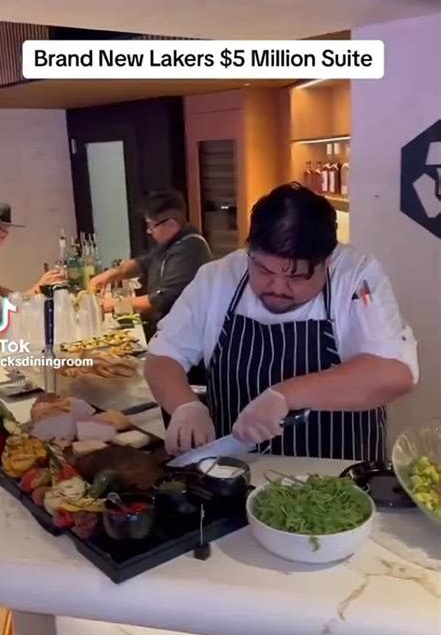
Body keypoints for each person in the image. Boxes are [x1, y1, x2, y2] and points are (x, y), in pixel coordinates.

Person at [145, 183, 418, 461]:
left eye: (297, 277)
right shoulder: (217, 278)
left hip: (340, 480)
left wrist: (285, 395)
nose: (277, 287)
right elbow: (162, 357)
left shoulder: (356, 277)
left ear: (328, 261)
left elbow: (396, 373)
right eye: (263, 269)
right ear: (249, 248)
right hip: (235, 475)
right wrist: (184, 405)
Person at [0, 200, 62, 406]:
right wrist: (38, 296)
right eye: (1, 229)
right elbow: (0, 313)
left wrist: (34, 291)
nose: (5, 236)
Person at [89, 189, 212, 330]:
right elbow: (143, 263)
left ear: (171, 224)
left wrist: (116, 304)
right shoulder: (171, 242)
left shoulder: (190, 249)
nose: (149, 231)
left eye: (151, 226)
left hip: (182, 332)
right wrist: (108, 275)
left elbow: (163, 299)